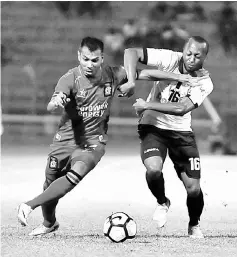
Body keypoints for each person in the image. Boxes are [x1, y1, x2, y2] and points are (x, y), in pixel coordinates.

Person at [17, 36, 200, 236]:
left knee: (74, 174)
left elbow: (145, 74)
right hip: (65, 140)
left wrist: (178, 77)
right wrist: (57, 102)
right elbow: (51, 106)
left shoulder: (112, 74)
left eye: (94, 60)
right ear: (79, 56)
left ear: (102, 58)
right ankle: (49, 222)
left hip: (94, 143)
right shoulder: (69, 79)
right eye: (85, 59)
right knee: (50, 183)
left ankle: (29, 205)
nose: (89, 64)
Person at [121, 36, 213, 238]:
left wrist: (146, 105)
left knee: (194, 189)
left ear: (205, 57)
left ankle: (194, 224)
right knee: (153, 169)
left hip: (181, 132)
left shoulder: (205, 82)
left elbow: (181, 108)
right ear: (183, 51)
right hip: (153, 126)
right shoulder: (169, 58)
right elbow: (131, 52)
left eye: (197, 56)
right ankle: (163, 201)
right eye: (188, 53)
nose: (191, 58)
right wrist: (130, 80)